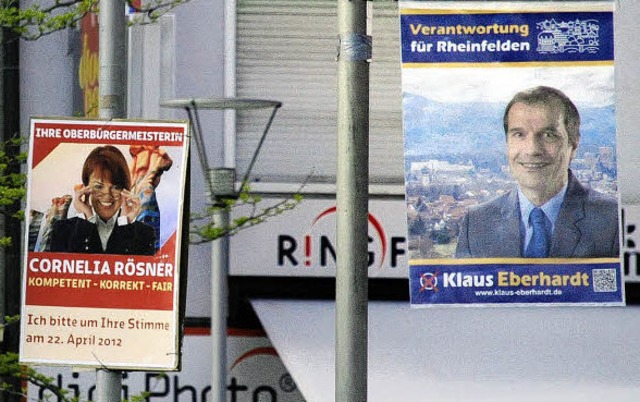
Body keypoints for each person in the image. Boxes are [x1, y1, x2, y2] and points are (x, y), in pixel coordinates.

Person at [455, 86, 619, 258]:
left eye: (548, 135)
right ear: (507, 143)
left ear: (574, 144)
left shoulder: (613, 220)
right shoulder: (476, 223)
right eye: (519, 134)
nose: (532, 150)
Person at [49, 145, 156, 255]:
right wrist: (87, 221)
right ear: (85, 188)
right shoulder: (62, 230)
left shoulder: (146, 234)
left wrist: (125, 224)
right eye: (99, 187)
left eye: (115, 187)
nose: (107, 195)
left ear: (125, 190)